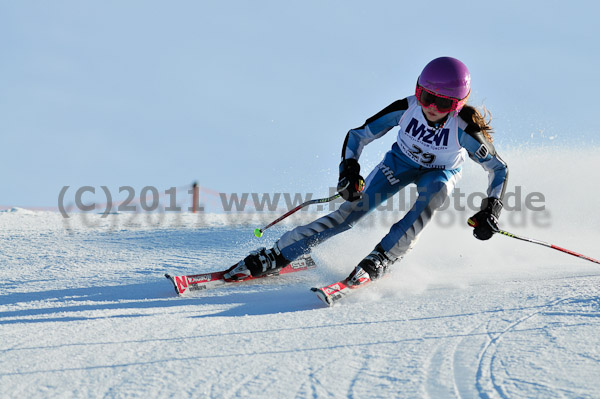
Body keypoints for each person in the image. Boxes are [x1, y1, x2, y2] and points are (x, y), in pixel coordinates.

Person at [224, 56, 508, 286]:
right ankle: (277, 254)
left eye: (443, 103)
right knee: (348, 215)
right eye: (425, 96)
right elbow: (358, 135)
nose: (431, 108)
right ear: (417, 89)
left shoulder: (465, 130)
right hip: (400, 163)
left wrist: (491, 209)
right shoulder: (406, 109)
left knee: (430, 198)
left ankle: (383, 256)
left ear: (456, 105)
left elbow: (498, 169)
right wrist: (349, 170)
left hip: (440, 172)